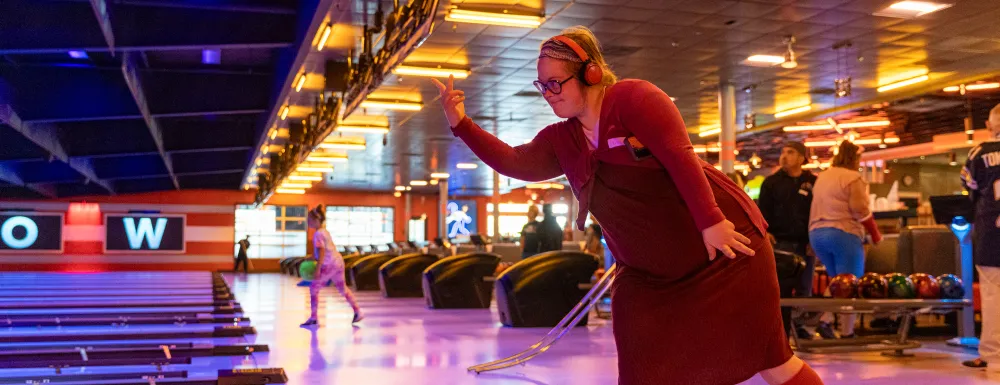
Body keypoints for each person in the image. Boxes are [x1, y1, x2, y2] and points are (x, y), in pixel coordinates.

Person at [431, 26, 822, 385]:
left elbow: (680, 156)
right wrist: (461, 122)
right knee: (640, 369)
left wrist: (712, 221)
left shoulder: (635, 100)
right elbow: (514, 162)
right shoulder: (562, 140)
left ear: (591, 74)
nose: (549, 94)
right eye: (542, 85)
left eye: (555, 83)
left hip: (723, 251)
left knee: (772, 364)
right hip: (646, 275)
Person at [808, 140, 882, 339]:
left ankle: (825, 320)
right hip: (843, 233)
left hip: (817, 234)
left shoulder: (823, 176)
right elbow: (860, 209)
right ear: (854, 158)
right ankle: (844, 330)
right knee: (851, 284)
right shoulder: (852, 177)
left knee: (837, 282)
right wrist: (875, 233)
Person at [757, 141, 817, 339]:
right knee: (780, 290)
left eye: (790, 152)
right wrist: (766, 232)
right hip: (779, 243)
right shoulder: (772, 183)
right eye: (782, 152)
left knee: (804, 288)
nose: (784, 156)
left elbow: (816, 212)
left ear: (802, 158)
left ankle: (801, 328)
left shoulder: (812, 182)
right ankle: (780, 332)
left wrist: (813, 239)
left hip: (804, 244)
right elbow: (761, 211)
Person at [961, 103, 1000, 370]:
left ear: (990, 125)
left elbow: (968, 183)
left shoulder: (979, 152)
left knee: (992, 295)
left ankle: (994, 356)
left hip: (991, 232)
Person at [301, 204, 363, 327]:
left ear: (316, 220)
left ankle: (314, 318)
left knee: (314, 288)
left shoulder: (318, 234)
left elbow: (323, 252)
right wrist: (312, 257)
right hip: (338, 262)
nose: (308, 222)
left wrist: (318, 269)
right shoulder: (325, 232)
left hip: (328, 264)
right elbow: (323, 250)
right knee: (342, 288)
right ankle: (358, 311)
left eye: (309, 220)